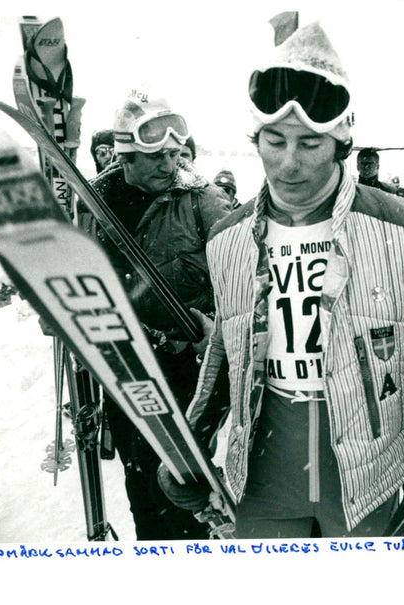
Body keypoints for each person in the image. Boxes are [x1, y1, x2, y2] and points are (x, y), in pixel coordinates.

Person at [158, 22, 404, 539]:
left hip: (369, 475)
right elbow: (225, 346)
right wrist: (188, 444)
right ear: (256, 138)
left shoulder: (402, 226)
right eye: (274, 140)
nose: (288, 162)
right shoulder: (226, 237)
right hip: (262, 470)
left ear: (340, 141)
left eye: (309, 143)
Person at [77, 90, 232, 540]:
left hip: (189, 371)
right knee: (143, 485)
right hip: (126, 370)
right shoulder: (97, 203)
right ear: (126, 156)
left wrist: (211, 327)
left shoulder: (204, 200)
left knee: (184, 488)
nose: (170, 164)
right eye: (156, 157)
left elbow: (244, 278)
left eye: (173, 153)